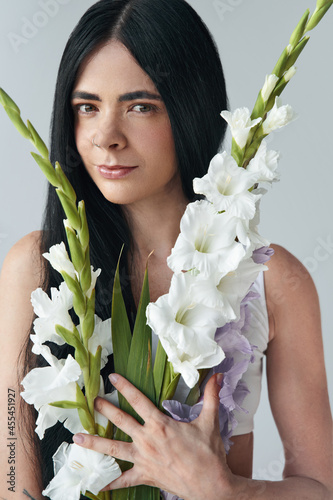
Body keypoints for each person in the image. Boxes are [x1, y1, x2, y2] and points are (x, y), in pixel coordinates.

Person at [0, 0, 332, 498]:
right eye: (87, 107)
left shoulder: (271, 280)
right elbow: (11, 472)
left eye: (140, 106)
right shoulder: (37, 266)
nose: (106, 137)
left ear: (191, 109)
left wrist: (224, 490)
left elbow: (321, 485)